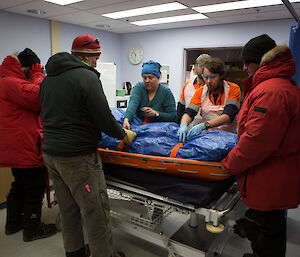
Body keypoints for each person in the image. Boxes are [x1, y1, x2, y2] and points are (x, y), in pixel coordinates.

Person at [40, 34, 135, 257]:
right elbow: (103, 118)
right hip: (78, 161)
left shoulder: (47, 79)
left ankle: (74, 253)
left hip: (52, 156)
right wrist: (123, 134)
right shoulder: (87, 77)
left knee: (68, 209)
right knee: (95, 212)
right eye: (96, 58)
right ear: (85, 56)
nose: (96, 63)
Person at [222, 34, 300, 257]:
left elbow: (256, 142)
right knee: (269, 230)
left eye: (247, 62)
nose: (245, 67)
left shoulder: (271, 92)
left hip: (270, 177)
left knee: (269, 233)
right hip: (274, 176)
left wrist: (229, 163)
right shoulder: (280, 86)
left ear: (258, 62)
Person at [0, 48, 57, 242]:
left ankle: (13, 223)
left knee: (20, 185)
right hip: (25, 147)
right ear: (25, 67)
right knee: (35, 187)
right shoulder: (11, 83)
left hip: (17, 147)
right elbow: (39, 97)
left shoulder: (6, 80)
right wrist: (38, 75)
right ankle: (32, 229)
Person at [177, 57, 241, 143]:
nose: (208, 81)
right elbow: (189, 112)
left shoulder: (233, 89)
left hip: (227, 139)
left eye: (212, 77)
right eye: (205, 77)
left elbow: (228, 115)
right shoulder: (201, 91)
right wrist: (183, 125)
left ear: (221, 75)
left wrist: (205, 125)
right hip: (208, 139)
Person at [123, 60, 177, 130]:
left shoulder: (166, 92)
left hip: (159, 130)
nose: (147, 81)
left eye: (150, 78)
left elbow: (173, 116)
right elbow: (133, 104)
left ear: (158, 77)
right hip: (140, 126)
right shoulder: (139, 87)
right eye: (144, 78)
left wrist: (157, 114)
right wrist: (126, 119)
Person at [177, 54, 211, 123]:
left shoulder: (213, 86)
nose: (204, 69)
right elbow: (180, 109)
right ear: (195, 67)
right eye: (201, 66)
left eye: (206, 66)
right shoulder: (187, 85)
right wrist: (180, 126)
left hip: (209, 128)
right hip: (189, 127)